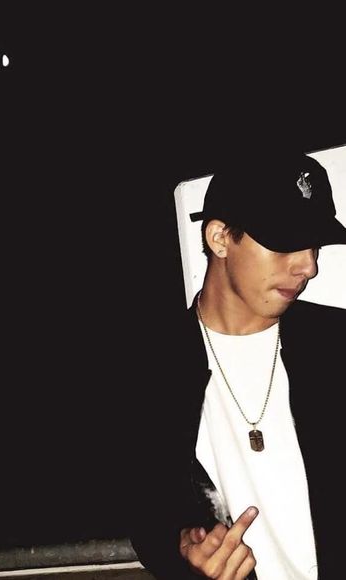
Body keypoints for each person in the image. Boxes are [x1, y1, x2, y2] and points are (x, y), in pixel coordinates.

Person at [129, 147, 346, 579]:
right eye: (287, 242)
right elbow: (149, 512)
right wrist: (185, 551)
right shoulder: (152, 370)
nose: (308, 266)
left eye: (315, 245)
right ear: (220, 238)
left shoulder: (335, 345)